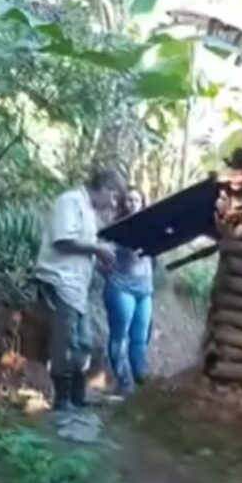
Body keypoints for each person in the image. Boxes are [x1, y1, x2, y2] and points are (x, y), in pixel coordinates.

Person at [34, 170, 122, 411]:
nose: (112, 203)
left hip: (76, 286)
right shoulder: (70, 201)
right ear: (104, 188)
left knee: (83, 341)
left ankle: (77, 394)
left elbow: (83, 249)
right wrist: (96, 249)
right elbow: (63, 240)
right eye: (113, 197)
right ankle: (62, 398)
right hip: (59, 280)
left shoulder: (89, 212)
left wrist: (100, 260)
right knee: (65, 340)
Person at [103, 188, 153, 395]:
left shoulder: (152, 225)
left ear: (143, 202)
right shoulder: (116, 228)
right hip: (121, 286)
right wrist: (106, 269)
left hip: (145, 289)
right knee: (119, 335)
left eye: (137, 200)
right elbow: (102, 253)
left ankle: (140, 380)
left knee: (140, 338)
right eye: (129, 200)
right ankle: (123, 381)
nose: (133, 204)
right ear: (124, 204)